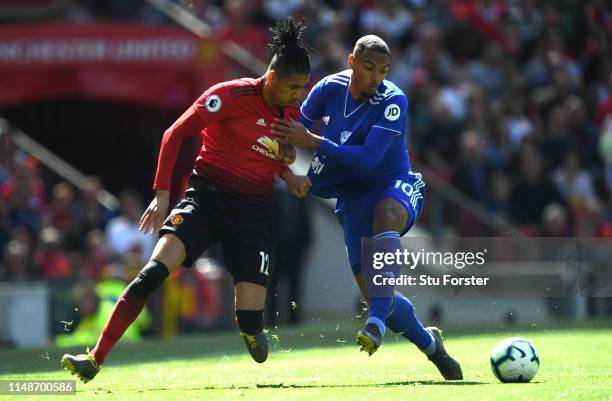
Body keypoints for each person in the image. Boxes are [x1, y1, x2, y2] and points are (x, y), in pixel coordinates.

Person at [61, 17, 314, 383]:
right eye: (293, 87)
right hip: (205, 201)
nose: (298, 96)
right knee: (150, 275)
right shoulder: (228, 96)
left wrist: (288, 174)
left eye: (302, 88)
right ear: (272, 78)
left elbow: (265, 153)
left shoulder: (290, 116)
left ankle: (249, 327)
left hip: (252, 214)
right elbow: (173, 134)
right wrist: (162, 196)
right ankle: (94, 359)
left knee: (251, 322)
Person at [271, 35, 463, 380]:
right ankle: (431, 346)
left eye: (384, 70)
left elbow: (368, 161)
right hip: (351, 196)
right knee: (378, 293)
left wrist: (312, 141)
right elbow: (293, 123)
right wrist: (284, 147)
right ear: (352, 62)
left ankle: (374, 320)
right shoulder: (329, 89)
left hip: (392, 183)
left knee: (385, 217)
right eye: (370, 68)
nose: (377, 77)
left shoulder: (394, 100)